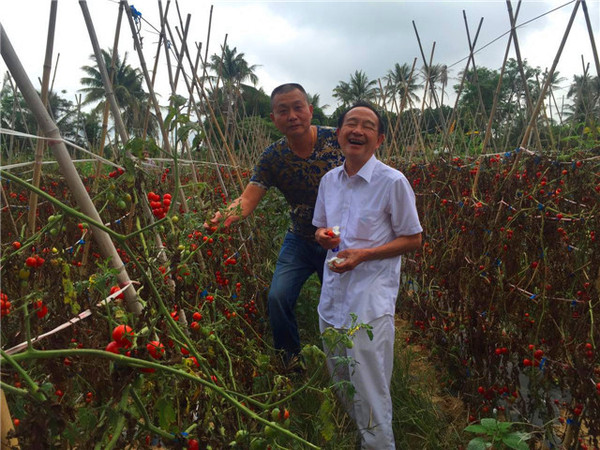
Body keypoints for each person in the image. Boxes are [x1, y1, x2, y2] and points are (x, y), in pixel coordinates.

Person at [208, 83, 343, 367]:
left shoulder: (338, 141)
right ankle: (290, 362)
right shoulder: (272, 157)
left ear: (310, 110)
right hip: (300, 240)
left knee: (344, 304)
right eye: (283, 111)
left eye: (297, 107)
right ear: (274, 119)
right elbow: (247, 199)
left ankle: (347, 363)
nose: (292, 115)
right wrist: (225, 215)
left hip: (339, 240)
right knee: (278, 297)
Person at [313, 101, 422, 449]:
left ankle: (378, 444)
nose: (357, 130)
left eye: (367, 126)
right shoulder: (329, 180)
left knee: (370, 388)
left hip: (369, 303)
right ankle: (361, 438)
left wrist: (365, 255)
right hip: (332, 298)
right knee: (342, 380)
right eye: (350, 123)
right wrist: (323, 236)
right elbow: (320, 228)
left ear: (380, 140)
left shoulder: (393, 182)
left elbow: (413, 238)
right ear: (339, 133)